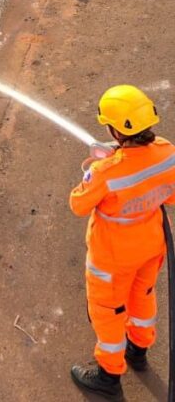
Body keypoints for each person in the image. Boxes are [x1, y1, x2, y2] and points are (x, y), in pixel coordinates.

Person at [69, 85, 175, 400]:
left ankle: (109, 376)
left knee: (108, 312)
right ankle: (138, 351)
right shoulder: (168, 153)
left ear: (115, 131)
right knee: (143, 296)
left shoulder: (105, 172)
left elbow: (78, 204)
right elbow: (169, 194)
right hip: (151, 245)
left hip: (112, 259)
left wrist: (92, 170)